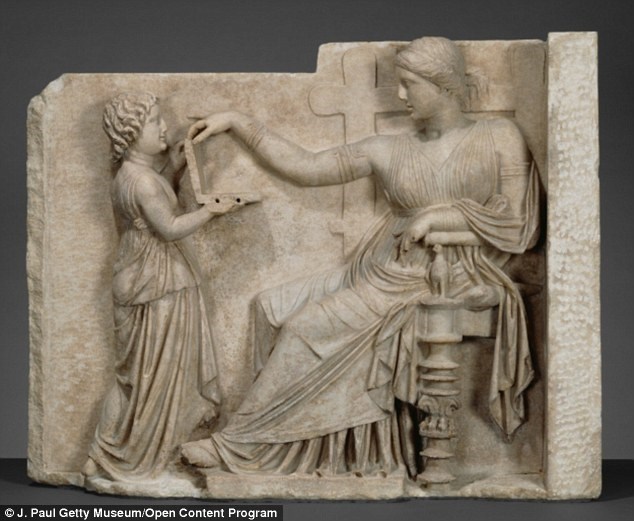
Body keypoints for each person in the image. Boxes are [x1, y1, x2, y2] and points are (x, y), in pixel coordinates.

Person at [181, 37, 539, 478]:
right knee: (270, 306)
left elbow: (518, 225)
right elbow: (308, 168)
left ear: (443, 84)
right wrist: (240, 123)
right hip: (380, 269)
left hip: (441, 276)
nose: (401, 95)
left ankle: (240, 444)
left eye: (408, 84)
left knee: (304, 328)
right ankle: (309, 444)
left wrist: (440, 218)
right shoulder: (388, 149)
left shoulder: (498, 137)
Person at [83, 92, 245, 482]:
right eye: (154, 121)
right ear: (130, 133)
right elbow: (169, 227)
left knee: (134, 380)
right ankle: (132, 457)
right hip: (157, 284)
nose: (163, 127)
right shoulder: (142, 183)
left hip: (139, 278)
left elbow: (159, 201)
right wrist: (213, 210)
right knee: (156, 380)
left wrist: (176, 164)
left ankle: (99, 453)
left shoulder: (131, 175)